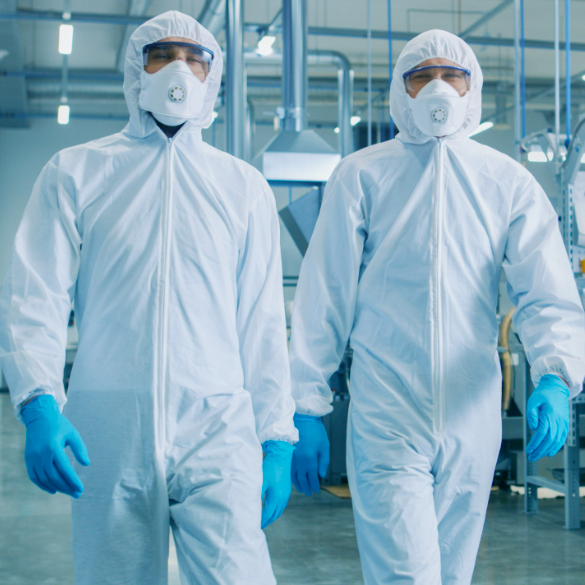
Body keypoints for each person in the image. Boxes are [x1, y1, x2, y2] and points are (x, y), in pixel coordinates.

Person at [0, 11, 297, 585]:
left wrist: (276, 436)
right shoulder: (78, 171)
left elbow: (261, 321)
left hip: (217, 424)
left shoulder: (242, 187)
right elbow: (35, 294)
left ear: (214, 77)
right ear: (137, 70)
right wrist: (38, 402)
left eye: (195, 58)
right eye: (162, 56)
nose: (178, 70)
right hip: (109, 427)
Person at [289, 29, 585, 585]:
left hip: (473, 413)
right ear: (401, 91)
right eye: (422, 76)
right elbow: (325, 293)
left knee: (452, 576)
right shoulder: (362, 174)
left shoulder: (506, 181)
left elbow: (545, 292)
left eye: (452, 75)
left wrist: (555, 376)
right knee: (408, 576)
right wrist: (305, 403)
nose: (438, 87)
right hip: (387, 409)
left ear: (470, 88)